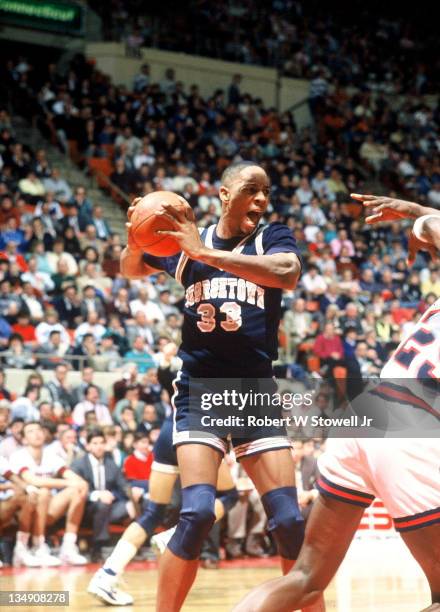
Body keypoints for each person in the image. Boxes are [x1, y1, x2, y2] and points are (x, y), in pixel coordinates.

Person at [119, 162, 319, 612]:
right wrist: (135, 236)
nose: (262, 199)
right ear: (225, 195)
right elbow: (129, 268)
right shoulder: (190, 243)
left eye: (267, 191)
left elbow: (286, 273)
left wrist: (205, 256)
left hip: (254, 390)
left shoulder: (272, 237)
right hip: (202, 390)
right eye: (252, 190)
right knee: (194, 514)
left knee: (289, 520)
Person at [232, 195, 440, 612]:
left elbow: (435, 227)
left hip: (367, 412)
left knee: (306, 578)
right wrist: (424, 221)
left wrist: (421, 218)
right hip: (411, 423)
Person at [88, 415, 238, 606]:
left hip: (169, 427)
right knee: (229, 495)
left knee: (153, 512)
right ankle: (172, 536)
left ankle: (107, 575)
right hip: (198, 427)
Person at [9, 421, 88, 566]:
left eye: (39, 430)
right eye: (31, 431)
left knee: (77, 490)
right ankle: (35, 546)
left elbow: (69, 475)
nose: (37, 433)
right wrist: (69, 483)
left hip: (46, 509)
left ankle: (68, 547)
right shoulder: (18, 456)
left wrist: (80, 482)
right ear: (24, 439)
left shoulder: (50, 455)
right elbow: (32, 480)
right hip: (22, 510)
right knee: (44, 492)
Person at [71, 428, 143, 562]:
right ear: (88, 446)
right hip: (87, 508)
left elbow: (123, 484)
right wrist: (97, 495)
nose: (99, 447)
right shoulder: (79, 465)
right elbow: (74, 490)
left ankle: (138, 545)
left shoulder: (111, 464)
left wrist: (132, 492)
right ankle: (99, 546)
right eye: (95, 443)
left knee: (136, 503)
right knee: (102, 504)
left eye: (101, 443)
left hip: (111, 507)